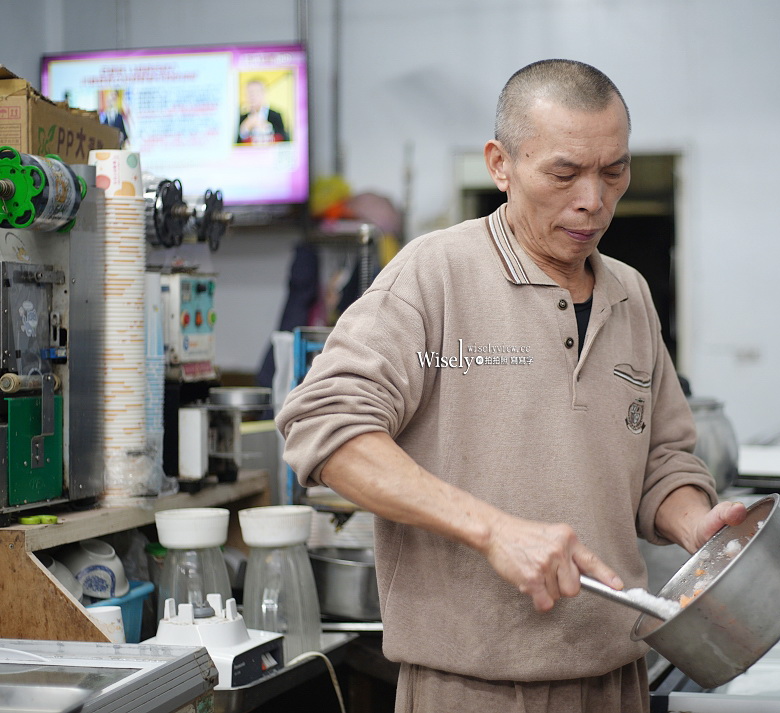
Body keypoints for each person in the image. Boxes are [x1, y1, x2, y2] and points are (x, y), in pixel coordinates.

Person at [277, 59, 746, 713]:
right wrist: (494, 531)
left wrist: (697, 522)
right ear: (501, 165)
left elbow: (660, 459)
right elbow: (325, 430)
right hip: (471, 687)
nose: (594, 200)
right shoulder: (435, 273)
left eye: (614, 172)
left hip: (616, 680)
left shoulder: (630, 294)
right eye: (564, 173)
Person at [237, 78, 289, 143]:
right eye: (249, 93)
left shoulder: (276, 116)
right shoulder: (242, 118)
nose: (252, 96)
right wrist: (245, 129)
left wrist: (268, 127)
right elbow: (235, 143)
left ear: (264, 93)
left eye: (256, 92)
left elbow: (285, 139)